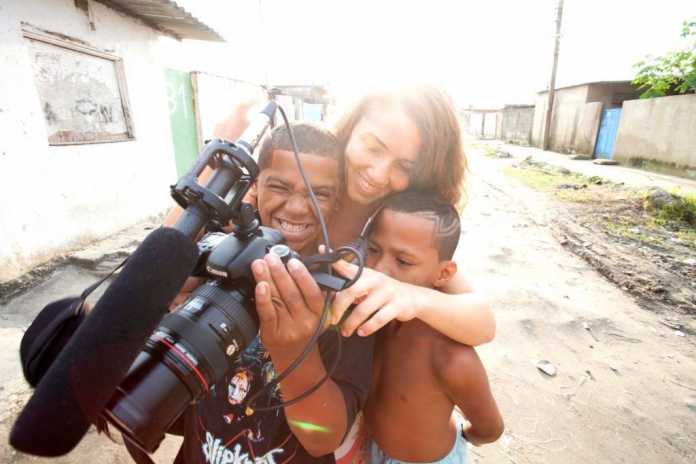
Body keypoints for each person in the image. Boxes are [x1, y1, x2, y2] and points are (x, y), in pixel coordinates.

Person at [204, 84, 496, 347]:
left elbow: (483, 323)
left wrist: (410, 296)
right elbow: (175, 244)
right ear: (350, 127)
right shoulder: (290, 186)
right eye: (373, 148)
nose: (378, 174)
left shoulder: (392, 224)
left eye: (404, 167)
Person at [173, 122, 375, 463]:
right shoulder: (217, 262)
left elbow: (322, 439)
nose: (297, 208)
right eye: (279, 187)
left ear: (338, 201)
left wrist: (292, 351)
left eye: (319, 194)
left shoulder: (343, 296)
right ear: (254, 189)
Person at [363, 190, 504, 463]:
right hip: (370, 448)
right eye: (373, 249)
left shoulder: (451, 357)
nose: (380, 269)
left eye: (402, 261)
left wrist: (463, 436)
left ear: (443, 274)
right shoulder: (375, 319)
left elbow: (490, 428)